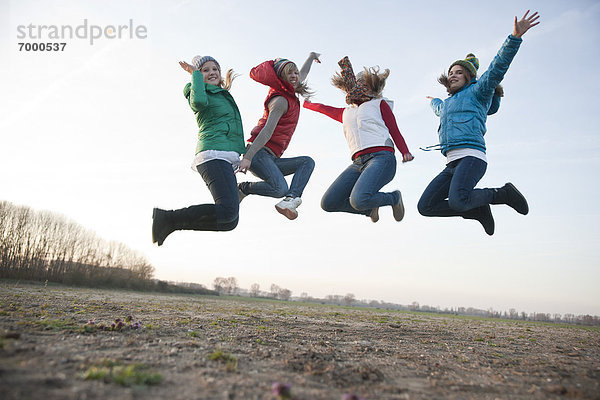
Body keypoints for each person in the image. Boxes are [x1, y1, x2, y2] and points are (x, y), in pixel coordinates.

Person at [418, 11, 540, 235]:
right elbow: (438, 109)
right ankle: (476, 209)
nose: (453, 75)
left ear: (470, 77)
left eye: (459, 72)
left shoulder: (477, 92)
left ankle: (502, 194)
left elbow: (496, 69)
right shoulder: (446, 104)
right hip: (452, 163)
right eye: (451, 73)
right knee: (425, 206)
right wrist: (433, 100)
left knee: (457, 200)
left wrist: (514, 37)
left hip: (472, 157)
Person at [304, 56, 413, 222]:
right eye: (357, 82)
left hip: (381, 158)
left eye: (364, 83)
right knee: (328, 203)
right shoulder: (346, 112)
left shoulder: (379, 104)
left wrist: (404, 151)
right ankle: (370, 210)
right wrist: (306, 104)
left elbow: (394, 129)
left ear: (372, 87)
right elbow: (324, 108)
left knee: (358, 199)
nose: (359, 85)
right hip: (357, 163)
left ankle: (393, 198)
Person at [152, 55, 246, 246]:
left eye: (215, 69)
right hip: (213, 154)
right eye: (205, 70)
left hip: (225, 157)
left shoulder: (221, 95)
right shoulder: (196, 91)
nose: (211, 73)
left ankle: (171, 223)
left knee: (230, 221)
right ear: (198, 75)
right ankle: (167, 217)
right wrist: (193, 74)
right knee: (228, 211)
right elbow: (199, 103)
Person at [237, 52, 320, 220]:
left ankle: (290, 200)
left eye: (295, 72)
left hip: (271, 158)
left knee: (307, 162)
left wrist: (311, 57)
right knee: (279, 188)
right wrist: (248, 157)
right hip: (258, 153)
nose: (295, 76)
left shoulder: (291, 90)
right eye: (290, 73)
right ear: (282, 77)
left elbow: (302, 74)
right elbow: (266, 131)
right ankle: (243, 188)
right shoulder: (280, 100)